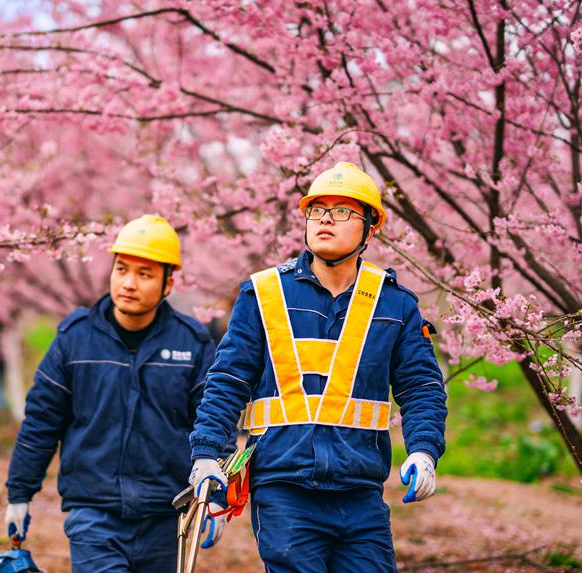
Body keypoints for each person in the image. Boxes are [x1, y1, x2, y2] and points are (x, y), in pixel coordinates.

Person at [188, 162, 448, 572]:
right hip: (284, 489)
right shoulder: (263, 294)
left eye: (343, 210)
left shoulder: (396, 304)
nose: (326, 218)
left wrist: (423, 450)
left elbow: (421, 389)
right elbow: (227, 382)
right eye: (317, 209)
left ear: (370, 228)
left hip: (361, 494)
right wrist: (207, 457)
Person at [4, 215, 231, 572]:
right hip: (93, 515)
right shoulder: (73, 339)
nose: (129, 283)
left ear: (168, 284)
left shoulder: (193, 342)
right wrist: (19, 494)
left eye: (145, 274)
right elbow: (41, 423)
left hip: (168, 515)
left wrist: (217, 499)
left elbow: (215, 418)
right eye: (122, 269)